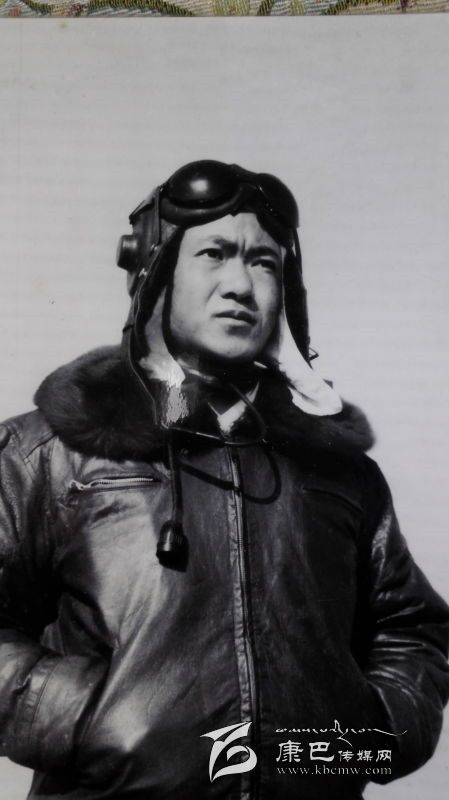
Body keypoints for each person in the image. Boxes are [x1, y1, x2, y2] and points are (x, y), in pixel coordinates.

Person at [0, 160, 448, 800]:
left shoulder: (340, 471)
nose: (240, 284)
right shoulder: (47, 453)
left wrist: (361, 739)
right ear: (155, 270)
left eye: (264, 262)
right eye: (214, 253)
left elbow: (410, 628)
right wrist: (92, 722)